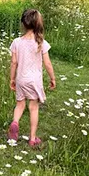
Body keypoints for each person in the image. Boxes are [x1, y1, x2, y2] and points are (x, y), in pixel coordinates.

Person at [7, 9, 56, 147]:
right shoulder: (41, 42)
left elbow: (14, 63)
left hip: (21, 79)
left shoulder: (17, 42)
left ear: (23, 23)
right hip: (34, 80)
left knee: (20, 104)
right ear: (38, 24)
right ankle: (32, 138)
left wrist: (12, 79)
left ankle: (15, 122)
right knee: (33, 108)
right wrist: (53, 78)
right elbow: (47, 63)